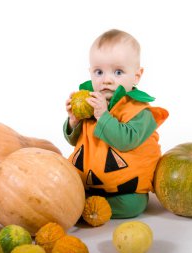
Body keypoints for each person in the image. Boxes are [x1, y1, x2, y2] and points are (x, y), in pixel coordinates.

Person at [63, 29, 169, 218]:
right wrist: (73, 121)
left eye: (118, 72)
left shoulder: (141, 112)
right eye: (99, 72)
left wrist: (103, 116)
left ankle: (89, 209)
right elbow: (75, 142)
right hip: (86, 182)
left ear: (137, 76)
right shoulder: (90, 102)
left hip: (126, 190)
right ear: (90, 72)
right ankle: (80, 202)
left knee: (132, 205)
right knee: (66, 189)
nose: (106, 80)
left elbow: (125, 141)